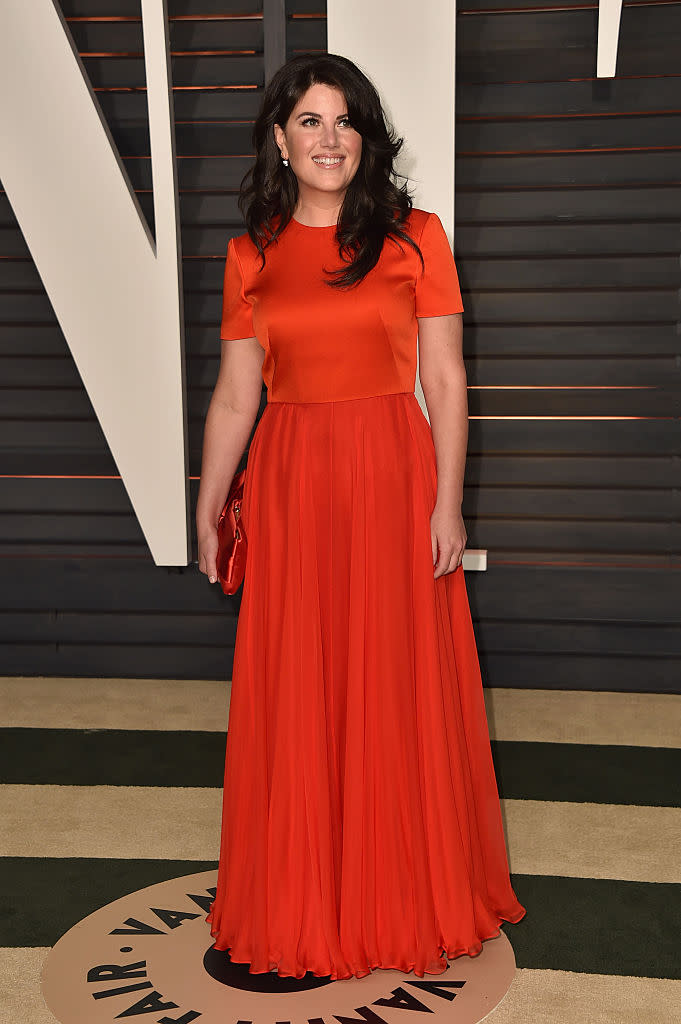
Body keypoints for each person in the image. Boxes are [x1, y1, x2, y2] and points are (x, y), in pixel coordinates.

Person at [196, 52, 525, 982]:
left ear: (366, 138)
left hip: (390, 476)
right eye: (309, 120)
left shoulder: (415, 235)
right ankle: (303, 894)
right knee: (300, 688)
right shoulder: (251, 251)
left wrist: (447, 502)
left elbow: (445, 377)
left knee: (391, 685)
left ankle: (397, 894)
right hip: (293, 483)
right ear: (280, 139)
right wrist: (208, 501)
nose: (328, 138)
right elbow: (233, 396)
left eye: (345, 121)